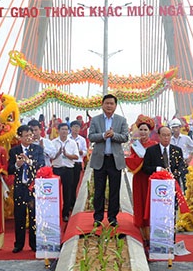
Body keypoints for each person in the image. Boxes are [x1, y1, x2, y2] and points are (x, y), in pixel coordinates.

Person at [88, 94, 129, 227]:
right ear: (102, 104)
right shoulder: (96, 120)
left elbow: (125, 137)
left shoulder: (121, 120)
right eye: (107, 103)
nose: (109, 106)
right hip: (100, 159)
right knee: (99, 190)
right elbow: (91, 136)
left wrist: (113, 135)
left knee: (114, 190)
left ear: (115, 106)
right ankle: (98, 217)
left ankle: (112, 217)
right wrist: (103, 135)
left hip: (114, 160)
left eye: (112, 103)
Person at [138, 124, 177, 246]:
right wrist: (158, 169)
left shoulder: (177, 150)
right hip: (157, 189)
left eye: (168, 135)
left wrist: (174, 173)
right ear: (159, 136)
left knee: (172, 213)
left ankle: (171, 238)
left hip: (172, 186)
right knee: (157, 213)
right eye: (164, 135)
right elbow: (145, 168)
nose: (166, 138)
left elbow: (182, 167)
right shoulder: (151, 150)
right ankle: (155, 238)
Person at [8, 125, 45, 252]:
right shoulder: (14, 151)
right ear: (20, 137)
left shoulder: (38, 149)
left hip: (33, 187)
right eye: (26, 135)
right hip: (19, 187)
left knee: (34, 215)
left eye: (31, 135)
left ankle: (34, 244)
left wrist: (29, 162)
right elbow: (9, 170)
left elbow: (41, 165)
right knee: (19, 216)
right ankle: (19, 244)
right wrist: (17, 165)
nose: (29, 137)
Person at [125, 115, 158, 233]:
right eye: (141, 129)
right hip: (138, 176)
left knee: (149, 202)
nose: (143, 132)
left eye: (145, 130)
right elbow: (132, 158)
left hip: (149, 177)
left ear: (150, 131)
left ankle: (150, 229)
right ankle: (141, 229)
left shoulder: (154, 145)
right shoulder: (134, 145)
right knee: (139, 201)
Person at [49, 122, 82, 222]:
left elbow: (76, 157)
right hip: (57, 169)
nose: (64, 131)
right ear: (58, 131)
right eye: (62, 129)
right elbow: (50, 157)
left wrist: (67, 155)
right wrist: (58, 153)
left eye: (66, 130)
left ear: (68, 131)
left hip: (68, 169)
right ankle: (54, 213)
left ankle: (65, 213)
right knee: (55, 192)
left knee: (67, 192)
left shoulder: (72, 143)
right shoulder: (53, 142)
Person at [166, 118, 192, 190]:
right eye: (173, 127)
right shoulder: (169, 140)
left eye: (176, 127)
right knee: (175, 181)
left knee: (185, 181)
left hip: (184, 162)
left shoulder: (186, 138)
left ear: (180, 127)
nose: (175, 129)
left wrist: (189, 159)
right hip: (173, 163)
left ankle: (186, 196)